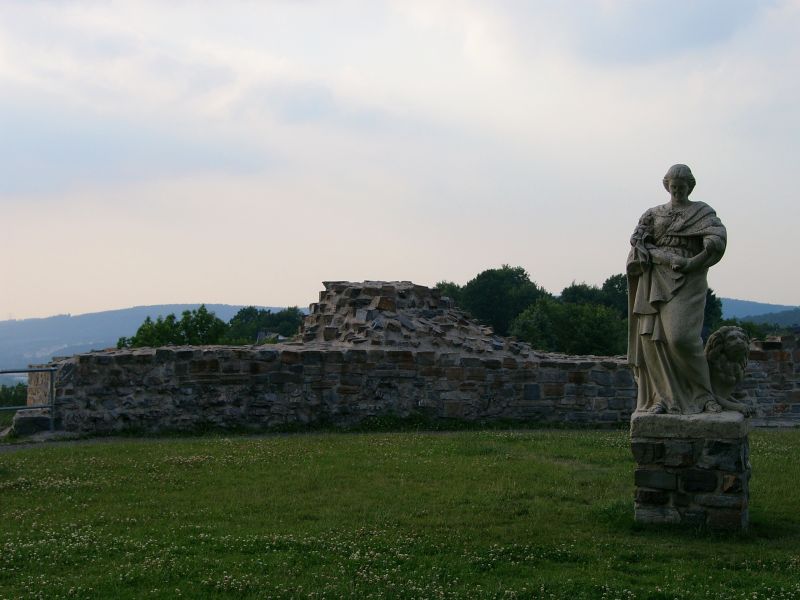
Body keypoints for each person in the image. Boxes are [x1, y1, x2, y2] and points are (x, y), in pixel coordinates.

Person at [627, 164, 727, 414]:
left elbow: (716, 239)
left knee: (681, 338)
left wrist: (693, 261)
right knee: (653, 340)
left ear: (690, 187)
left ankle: (704, 395)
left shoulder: (701, 211)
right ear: (667, 186)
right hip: (655, 279)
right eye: (674, 187)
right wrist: (657, 255)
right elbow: (638, 242)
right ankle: (662, 397)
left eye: (682, 187)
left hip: (688, 279)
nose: (678, 192)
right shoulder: (653, 214)